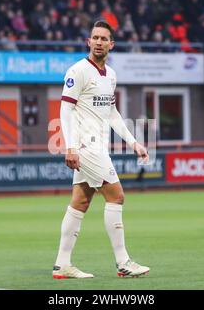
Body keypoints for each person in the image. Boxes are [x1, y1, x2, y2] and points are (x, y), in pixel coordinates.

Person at [53, 21, 150, 279]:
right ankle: (123, 262)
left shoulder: (111, 75)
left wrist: (133, 142)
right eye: (94, 37)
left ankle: (62, 264)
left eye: (103, 38)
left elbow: (113, 114)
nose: (98, 42)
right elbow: (65, 109)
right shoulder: (78, 70)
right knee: (116, 196)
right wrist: (70, 146)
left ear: (111, 44)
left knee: (80, 202)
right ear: (88, 42)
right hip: (86, 147)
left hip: (97, 146)